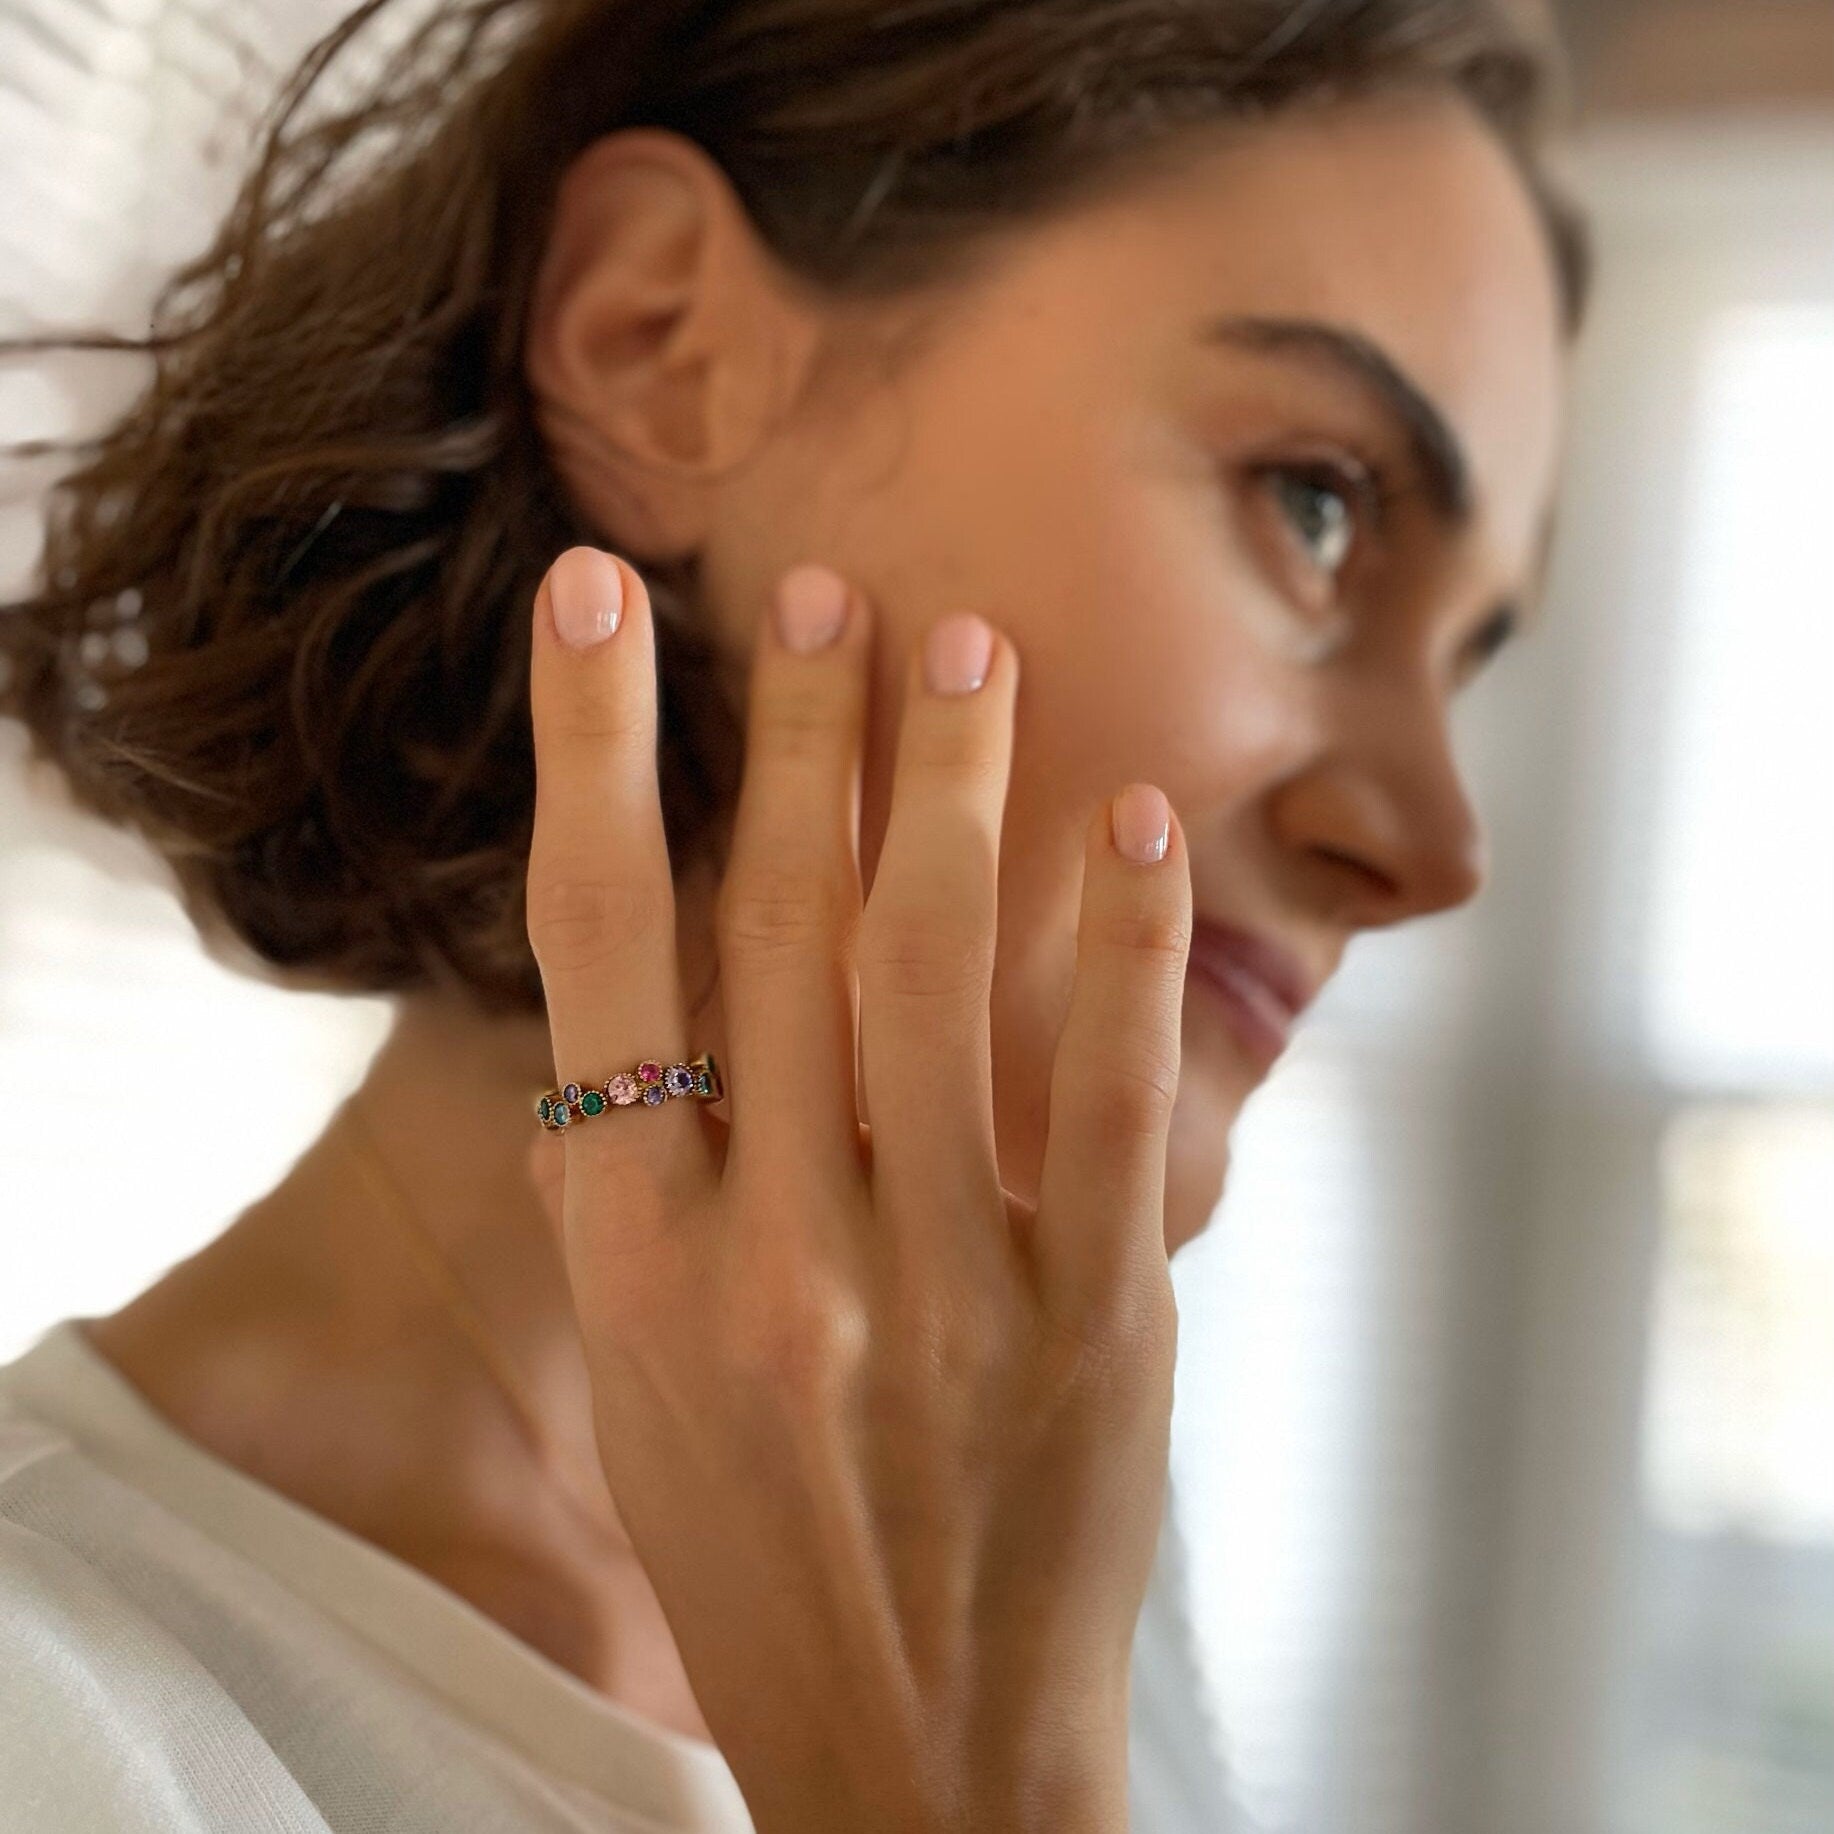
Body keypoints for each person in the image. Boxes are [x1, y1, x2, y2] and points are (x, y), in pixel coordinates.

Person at [0, 1, 1593, 1828]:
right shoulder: (54, 1723)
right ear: (660, 345)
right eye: (1315, 506)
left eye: (1466, 660)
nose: (1435, 841)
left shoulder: (1039, 1579)